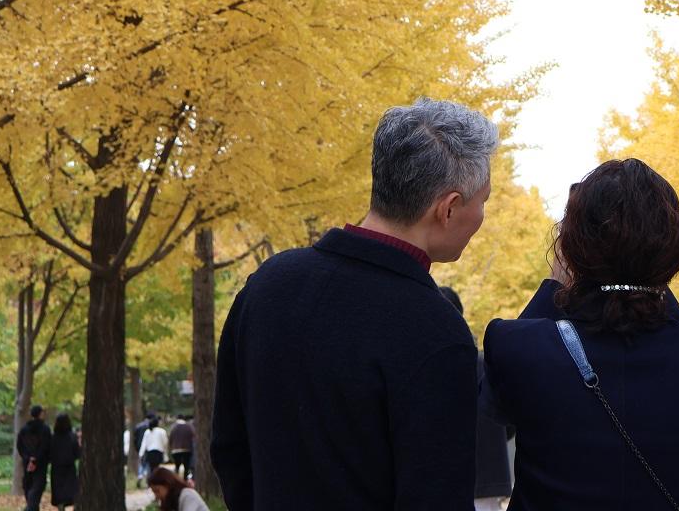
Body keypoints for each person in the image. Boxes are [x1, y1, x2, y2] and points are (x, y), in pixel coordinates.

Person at [212, 99, 497, 510]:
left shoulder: (268, 285)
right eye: (482, 201)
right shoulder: (436, 330)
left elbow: (230, 446)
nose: (482, 215)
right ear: (448, 208)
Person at [482, 158, 679, 510]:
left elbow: (496, 411)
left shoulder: (517, 346)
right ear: (673, 247)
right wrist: (650, 276)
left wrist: (553, 283)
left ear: (572, 248)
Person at [440, 286, 512, 511]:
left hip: (449, 479)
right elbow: (508, 421)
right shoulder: (485, 363)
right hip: (489, 476)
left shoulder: (433, 363)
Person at [16, 405, 50, 511]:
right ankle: (31, 507)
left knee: (28, 485)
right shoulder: (45, 429)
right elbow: (46, 446)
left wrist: (27, 457)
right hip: (40, 463)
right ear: (40, 414)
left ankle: (31, 507)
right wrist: (36, 458)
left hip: (27, 462)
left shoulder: (24, 429)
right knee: (37, 486)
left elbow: (20, 445)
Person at [49, 413, 80, 510]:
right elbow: (77, 452)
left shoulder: (53, 437)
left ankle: (60, 506)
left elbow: (49, 452)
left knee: (58, 489)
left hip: (56, 467)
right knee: (70, 488)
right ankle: (73, 504)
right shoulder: (72, 436)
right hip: (69, 467)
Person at [169, 415, 195, 480]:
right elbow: (193, 436)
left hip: (175, 450)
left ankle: (176, 480)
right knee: (186, 467)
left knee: (177, 466)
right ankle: (185, 480)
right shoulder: (189, 426)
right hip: (187, 449)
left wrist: (170, 448)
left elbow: (170, 438)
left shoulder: (173, 427)